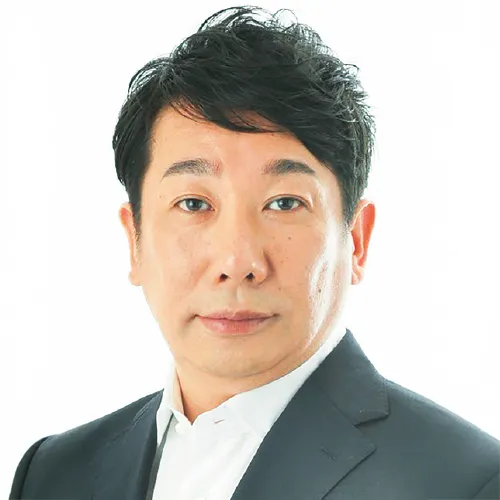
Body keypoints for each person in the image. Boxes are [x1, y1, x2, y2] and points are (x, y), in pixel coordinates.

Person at [9, 5, 499, 499]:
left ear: (356, 239)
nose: (237, 263)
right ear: (134, 239)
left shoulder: (463, 482)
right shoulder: (54, 474)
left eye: (284, 203)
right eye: (194, 203)